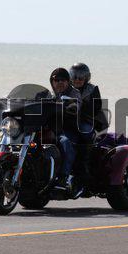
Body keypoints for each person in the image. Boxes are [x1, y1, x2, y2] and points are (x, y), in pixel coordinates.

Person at [47, 68, 82, 196]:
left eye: (63, 80)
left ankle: (63, 177)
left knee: (65, 142)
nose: (60, 82)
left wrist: (71, 106)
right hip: (50, 130)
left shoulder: (74, 93)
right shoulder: (48, 95)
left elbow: (77, 105)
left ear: (68, 81)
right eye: (56, 80)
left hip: (67, 129)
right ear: (52, 82)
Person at [69, 63, 104, 182]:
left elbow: (97, 107)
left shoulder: (92, 89)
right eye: (74, 76)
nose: (77, 79)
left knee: (84, 132)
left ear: (87, 77)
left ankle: (84, 167)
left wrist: (82, 108)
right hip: (67, 121)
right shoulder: (65, 88)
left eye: (81, 76)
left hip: (86, 120)